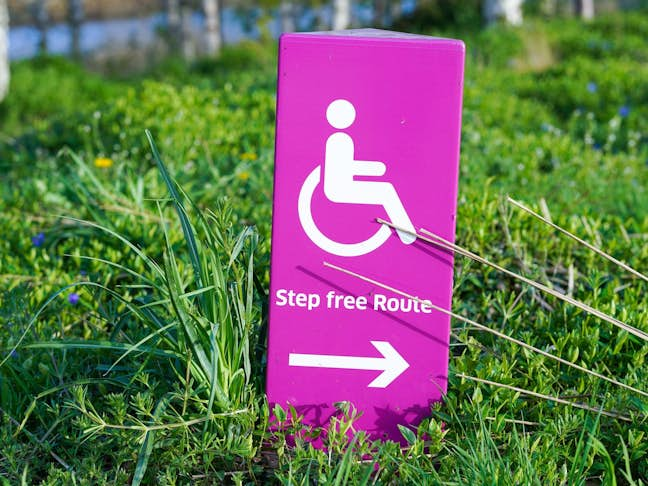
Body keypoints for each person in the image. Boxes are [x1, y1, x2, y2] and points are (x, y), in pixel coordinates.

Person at [323, 99, 416, 244]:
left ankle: (406, 233)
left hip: (346, 184)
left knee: (386, 190)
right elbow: (345, 169)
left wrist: (375, 169)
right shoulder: (340, 140)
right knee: (385, 190)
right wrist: (376, 169)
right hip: (340, 189)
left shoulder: (340, 138)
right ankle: (407, 236)